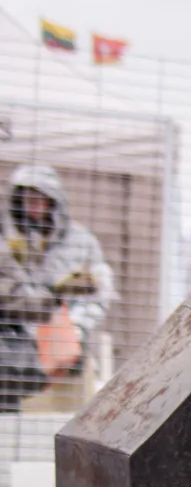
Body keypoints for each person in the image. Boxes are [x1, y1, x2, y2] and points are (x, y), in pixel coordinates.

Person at [0, 164, 114, 409]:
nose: (33, 205)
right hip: (11, 350)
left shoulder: (80, 241)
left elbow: (98, 291)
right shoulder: (6, 239)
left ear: (54, 201)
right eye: (26, 198)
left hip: (62, 345)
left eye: (39, 198)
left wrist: (76, 328)